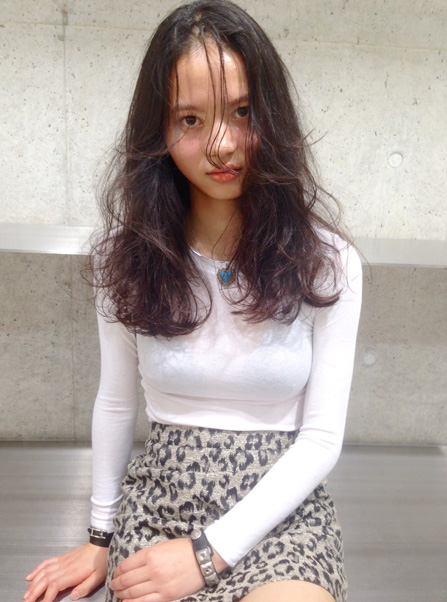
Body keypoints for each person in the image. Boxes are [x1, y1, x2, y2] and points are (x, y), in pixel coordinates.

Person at [23, 1, 362, 601]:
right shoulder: (124, 257)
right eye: (190, 119)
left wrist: (209, 554)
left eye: (242, 112)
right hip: (162, 503)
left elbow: (320, 440)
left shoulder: (327, 261)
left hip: (280, 514)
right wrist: (100, 535)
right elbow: (115, 400)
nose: (221, 145)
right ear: (159, 130)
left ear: (273, 114)